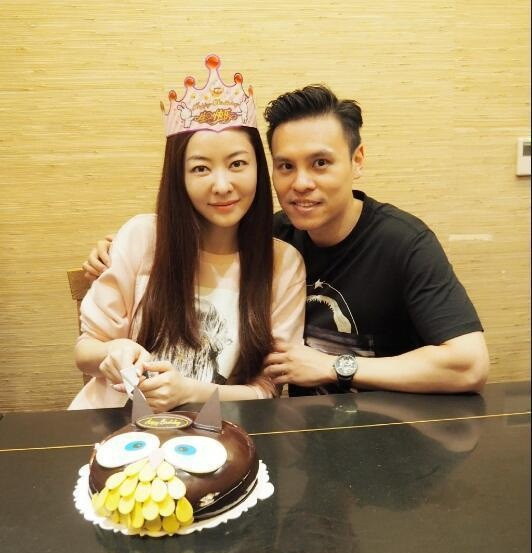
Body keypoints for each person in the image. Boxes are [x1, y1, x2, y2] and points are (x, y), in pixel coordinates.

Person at [83, 84, 489, 397]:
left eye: (320, 163)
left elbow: (470, 365)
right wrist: (122, 248)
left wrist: (335, 367)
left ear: (357, 161)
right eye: (286, 166)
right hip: (295, 431)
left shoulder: (403, 243)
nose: (301, 183)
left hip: (390, 428)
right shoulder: (270, 237)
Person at [70, 55, 306, 411]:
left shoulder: (283, 263)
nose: (222, 185)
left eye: (237, 164)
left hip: (214, 433)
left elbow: (267, 389)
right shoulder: (141, 237)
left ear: (260, 168)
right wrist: (112, 351)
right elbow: (85, 351)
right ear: (179, 177)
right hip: (116, 425)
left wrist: (192, 392)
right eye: (200, 169)